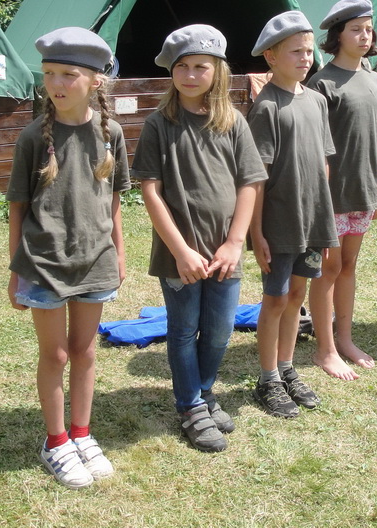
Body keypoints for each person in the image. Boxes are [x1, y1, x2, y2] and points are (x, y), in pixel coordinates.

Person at [132, 25, 267, 452]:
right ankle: (190, 405)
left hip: (225, 251)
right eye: (183, 66)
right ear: (172, 71)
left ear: (218, 71)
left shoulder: (234, 122)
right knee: (183, 329)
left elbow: (250, 183)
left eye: (201, 67)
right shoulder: (158, 124)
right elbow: (150, 191)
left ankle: (205, 392)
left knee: (220, 331)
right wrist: (181, 251)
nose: (191, 75)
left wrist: (234, 242)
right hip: (181, 255)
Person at [7, 26, 128, 489]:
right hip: (43, 265)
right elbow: (18, 207)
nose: (55, 84)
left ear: (96, 80)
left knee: (84, 351)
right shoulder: (32, 138)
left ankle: (82, 434)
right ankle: (56, 442)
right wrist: (15, 271)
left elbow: (114, 200)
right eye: (49, 74)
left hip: (96, 261)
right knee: (55, 354)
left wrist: (119, 254)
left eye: (68, 74)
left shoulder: (112, 133)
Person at [247, 10, 338, 416]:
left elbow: (323, 163)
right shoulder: (266, 107)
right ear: (271, 56)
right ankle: (267, 378)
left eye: (309, 50)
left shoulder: (316, 100)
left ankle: (287, 368)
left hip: (312, 222)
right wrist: (257, 233)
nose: (305, 58)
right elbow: (255, 177)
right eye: (295, 51)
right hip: (279, 223)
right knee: (276, 299)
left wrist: (324, 220)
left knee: (298, 296)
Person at [305, 0, 377, 380]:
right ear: (337, 35)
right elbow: (312, 146)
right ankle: (325, 350)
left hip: (363, 191)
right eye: (356, 29)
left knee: (348, 266)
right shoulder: (321, 83)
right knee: (328, 268)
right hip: (331, 195)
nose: (365, 36)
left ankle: (345, 339)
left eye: (368, 29)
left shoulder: (375, 80)